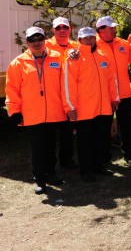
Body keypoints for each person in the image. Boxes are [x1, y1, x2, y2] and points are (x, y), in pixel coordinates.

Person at [5, 27, 67, 194]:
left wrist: (68, 106)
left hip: (54, 111)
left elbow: (65, 85)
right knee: (39, 147)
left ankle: (51, 174)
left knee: (51, 145)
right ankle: (39, 178)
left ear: (45, 39)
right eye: (33, 40)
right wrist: (14, 111)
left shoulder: (57, 58)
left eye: (39, 38)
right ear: (27, 43)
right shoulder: (18, 63)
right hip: (33, 113)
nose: (37, 42)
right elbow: (12, 90)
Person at [62, 27, 119, 181]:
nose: (89, 40)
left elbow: (111, 79)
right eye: (86, 38)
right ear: (79, 40)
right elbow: (68, 85)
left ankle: (98, 166)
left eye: (92, 37)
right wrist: (70, 107)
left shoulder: (102, 55)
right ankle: (86, 171)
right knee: (84, 142)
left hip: (103, 108)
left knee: (100, 139)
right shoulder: (74, 58)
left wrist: (115, 98)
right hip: (84, 110)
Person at [96, 15, 131, 163]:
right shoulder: (94, 46)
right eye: (111, 28)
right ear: (100, 30)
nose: (114, 30)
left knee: (126, 126)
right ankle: (105, 157)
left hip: (124, 93)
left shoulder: (123, 43)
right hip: (105, 95)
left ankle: (129, 154)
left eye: (114, 27)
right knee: (104, 128)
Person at [45, 16, 79, 169]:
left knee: (67, 132)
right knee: (50, 136)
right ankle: (49, 166)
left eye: (65, 27)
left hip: (69, 98)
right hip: (51, 98)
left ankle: (67, 160)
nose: (62, 31)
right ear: (53, 30)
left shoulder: (76, 46)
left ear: (70, 29)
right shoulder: (45, 46)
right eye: (58, 28)